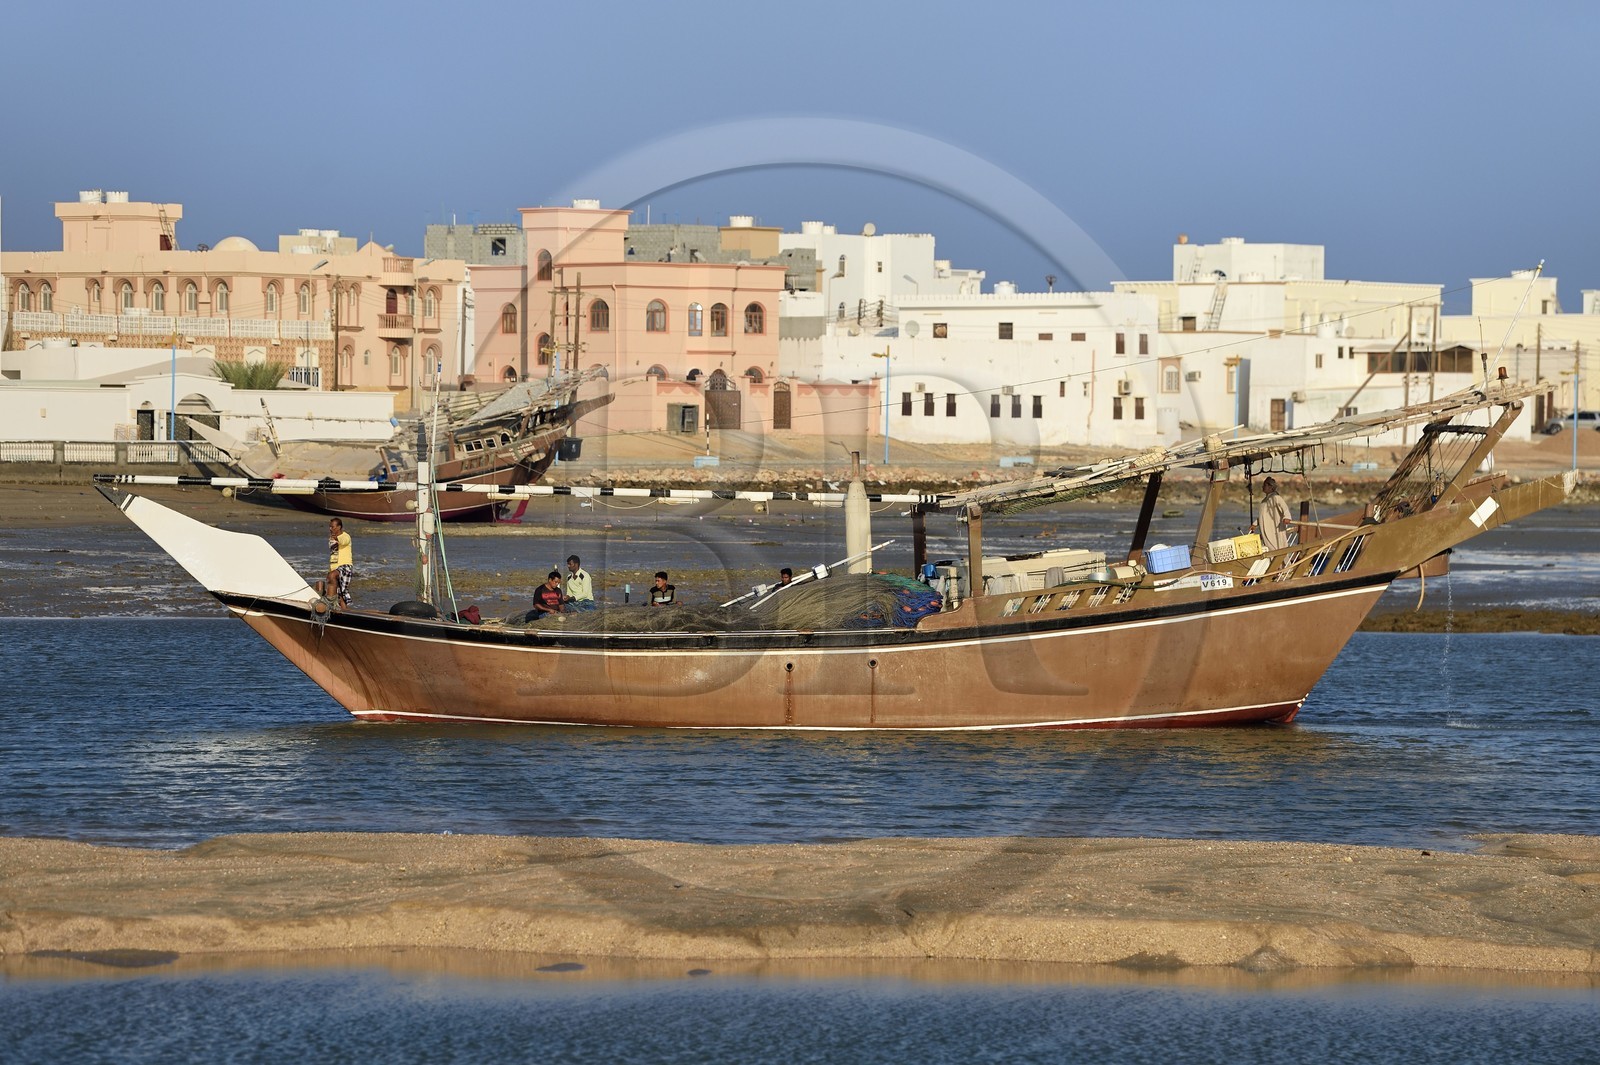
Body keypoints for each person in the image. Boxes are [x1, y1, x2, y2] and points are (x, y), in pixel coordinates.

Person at [1254, 476, 1294, 552]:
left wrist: (1287, 517)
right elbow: (1262, 515)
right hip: (1266, 529)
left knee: (1278, 547)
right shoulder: (1264, 501)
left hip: (1274, 529)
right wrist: (1255, 524)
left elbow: (1284, 507)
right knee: (1269, 548)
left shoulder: (1276, 497)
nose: (1263, 487)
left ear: (1270, 487)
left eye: (1265, 485)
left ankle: (1282, 563)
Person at [325, 517, 354, 608]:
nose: (330, 529)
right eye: (330, 527)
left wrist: (336, 537)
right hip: (335, 567)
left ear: (339, 527)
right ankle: (344, 611)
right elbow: (333, 556)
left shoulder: (346, 536)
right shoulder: (331, 539)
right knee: (340, 593)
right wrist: (330, 569)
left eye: (333, 527)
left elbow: (343, 541)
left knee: (332, 576)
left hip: (345, 566)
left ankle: (329, 603)